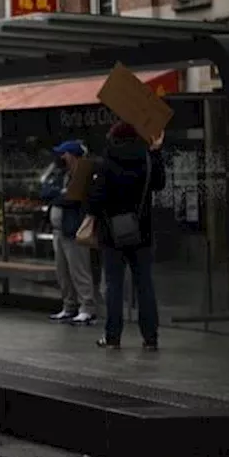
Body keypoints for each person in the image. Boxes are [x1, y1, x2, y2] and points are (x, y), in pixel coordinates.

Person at [85, 121, 165, 350]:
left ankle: (113, 337)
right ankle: (150, 338)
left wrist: (94, 213)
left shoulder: (106, 162)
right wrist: (157, 151)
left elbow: (96, 198)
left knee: (114, 286)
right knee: (145, 286)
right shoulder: (147, 159)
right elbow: (159, 184)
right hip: (142, 231)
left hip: (112, 233)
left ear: (113, 138)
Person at [42, 140, 98, 325]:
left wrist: (60, 196)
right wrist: (60, 194)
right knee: (63, 271)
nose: (61, 157)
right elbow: (46, 192)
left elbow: (72, 198)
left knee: (79, 270)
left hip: (73, 229)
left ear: (72, 156)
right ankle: (69, 305)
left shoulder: (82, 175)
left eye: (64, 154)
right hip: (58, 230)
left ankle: (87, 307)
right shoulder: (61, 175)